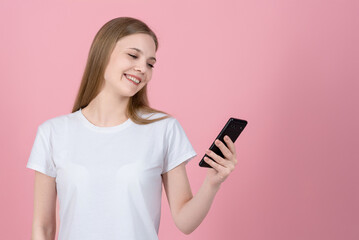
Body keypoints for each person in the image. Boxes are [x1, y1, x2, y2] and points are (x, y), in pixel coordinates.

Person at [26, 16, 238, 240]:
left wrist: (212, 183)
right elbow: (43, 227)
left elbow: (185, 221)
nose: (142, 68)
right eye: (133, 55)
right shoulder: (53, 133)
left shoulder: (163, 129)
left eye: (150, 63)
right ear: (103, 53)